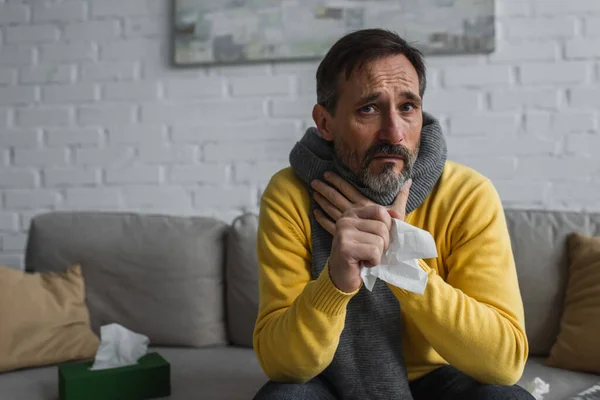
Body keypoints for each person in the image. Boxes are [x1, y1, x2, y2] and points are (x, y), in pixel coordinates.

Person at [252, 28, 534, 400]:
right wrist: (335, 282)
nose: (394, 133)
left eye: (407, 107)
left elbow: (504, 362)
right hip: (331, 378)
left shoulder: (467, 194)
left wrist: (400, 260)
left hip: (442, 375)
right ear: (325, 123)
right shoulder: (291, 195)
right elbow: (282, 364)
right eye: (369, 108)